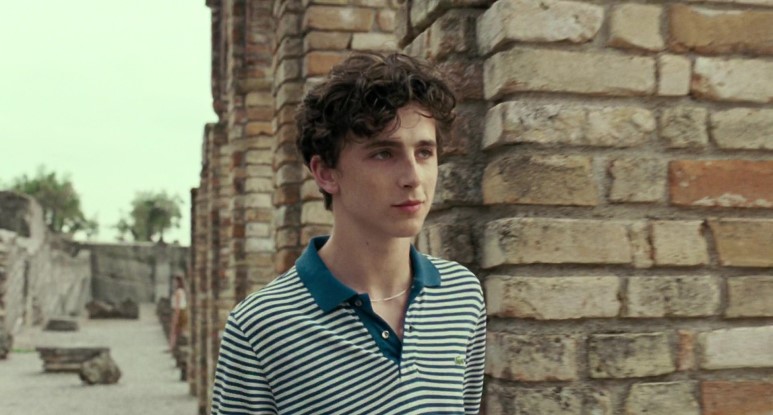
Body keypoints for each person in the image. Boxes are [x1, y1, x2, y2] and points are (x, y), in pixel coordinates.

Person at [211, 52, 486, 415]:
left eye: (424, 152)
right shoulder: (260, 328)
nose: (413, 177)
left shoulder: (461, 296)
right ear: (326, 173)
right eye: (384, 154)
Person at [168, 274, 188, 351]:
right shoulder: (181, 291)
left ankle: (172, 347)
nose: (173, 283)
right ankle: (173, 347)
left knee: (174, 330)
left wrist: (176, 316)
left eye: (175, 282)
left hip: (179, 312)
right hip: (182, 311)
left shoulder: (178, 292)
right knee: (178, 331)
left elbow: (177, 305)